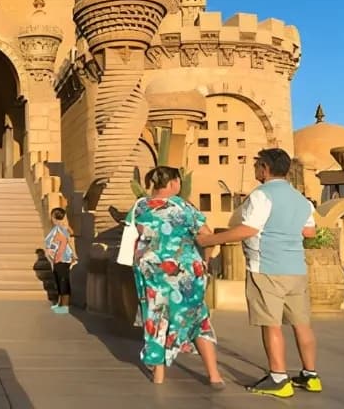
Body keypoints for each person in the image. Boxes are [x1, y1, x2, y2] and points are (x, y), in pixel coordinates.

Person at [198, 148, 320, 398]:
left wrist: (211, 239)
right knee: (301, 323)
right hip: (296, 269)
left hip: (267, 268)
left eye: (256, 165)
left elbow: (247, 230)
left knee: (271, 324)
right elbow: (309, 232)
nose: (255, 170)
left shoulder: (261, 196)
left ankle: (278, 378)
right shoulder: (301, 199)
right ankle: (310, 376)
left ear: (265, 168)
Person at [129, 166, 224, 388]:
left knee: (156, 318)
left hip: (152, 271)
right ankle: (214, 375)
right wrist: (206, 260)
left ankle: (159, 376)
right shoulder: (184, 207)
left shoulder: (140, 206)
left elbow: (142, 231)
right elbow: (206, 235)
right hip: (185, 271)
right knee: (198, 317)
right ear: (173, 183)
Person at [43, 207, 76, 313]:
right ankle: (60, 303)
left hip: (62, 258)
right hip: (58, 258)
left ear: (53, 217)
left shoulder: (61, 229)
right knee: (59, 280)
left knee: (63, 281)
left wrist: (73, 254)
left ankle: (65, 306)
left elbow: (64, 241)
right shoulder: (58, 228)